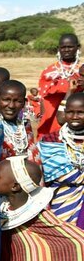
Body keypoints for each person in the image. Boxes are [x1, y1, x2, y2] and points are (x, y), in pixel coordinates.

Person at [38, 91, 84, 227]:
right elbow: (41, 178)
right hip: (57, 202)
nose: (74, 117)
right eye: (70, 112)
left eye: (80, 112)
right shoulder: (50, 140)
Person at [38, 33, 81, 135]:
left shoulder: (82, 70)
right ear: (58, 49)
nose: (66, 50)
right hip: (53, 117)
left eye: (70, 47)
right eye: (63, 47)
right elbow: (43, 98)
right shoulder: (49, 71)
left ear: (77, 47)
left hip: (79, 115)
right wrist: (44, 117)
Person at [0, 80, 38, 161]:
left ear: (24, 103)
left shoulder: (26, 126)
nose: (11, 106)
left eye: (18, 101)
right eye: (6, 100)